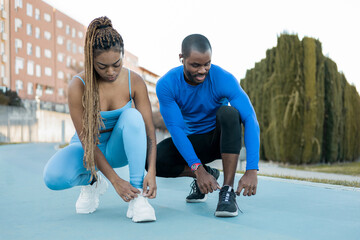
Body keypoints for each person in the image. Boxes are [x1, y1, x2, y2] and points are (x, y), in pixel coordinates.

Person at [43, 16, 156, 223]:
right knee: (52, 177)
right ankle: (94, 180)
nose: (111, 72)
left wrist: (152, 171)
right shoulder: (78, 86)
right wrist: (114, 181)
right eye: (102, 66)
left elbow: (149, 132)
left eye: (116, 64)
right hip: (87, 148)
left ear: (122, 56)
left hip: (117, 147)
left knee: (132, 116)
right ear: (90, 60)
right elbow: (87, 141)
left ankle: (138, 197)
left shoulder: (135, 81)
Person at [155, 34, 260, 217]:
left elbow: (250, 118)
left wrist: (252, 169)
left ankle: (227, 191)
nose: (202, 70)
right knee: (153, 160)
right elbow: (176, 129)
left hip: (220, 140)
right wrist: (198, 170)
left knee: (229, 113)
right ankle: (205, 175)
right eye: (195, 65)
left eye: (207, 64)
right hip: (192, 142)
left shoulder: (222, 78)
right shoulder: (166, 84)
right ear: (182, 59)